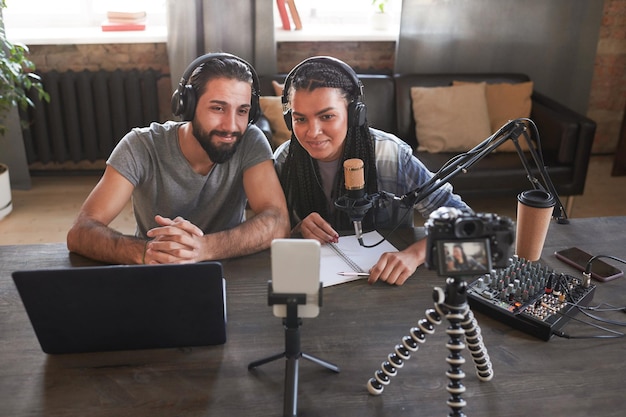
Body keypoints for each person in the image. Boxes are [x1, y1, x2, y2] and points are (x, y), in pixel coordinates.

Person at [67, 53, 290, 264]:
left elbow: (278, 221)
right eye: (218, 108)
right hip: (156, 266)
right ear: (187, 106)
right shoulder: (141, 146)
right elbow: (81, 231)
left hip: (228, 266)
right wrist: (148, 252)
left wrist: (203, 248)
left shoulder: (250, 141)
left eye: (242, 111)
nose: (231, 125)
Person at [274, 56, 470, 286]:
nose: (312, 132)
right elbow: (271, 231)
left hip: (385, 284)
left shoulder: (392, 155)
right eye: (300, 119)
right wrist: (295, 230)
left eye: (327, 116)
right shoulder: (285, 159)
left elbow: (463, 220)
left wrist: (414, 255)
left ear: (355, 114)